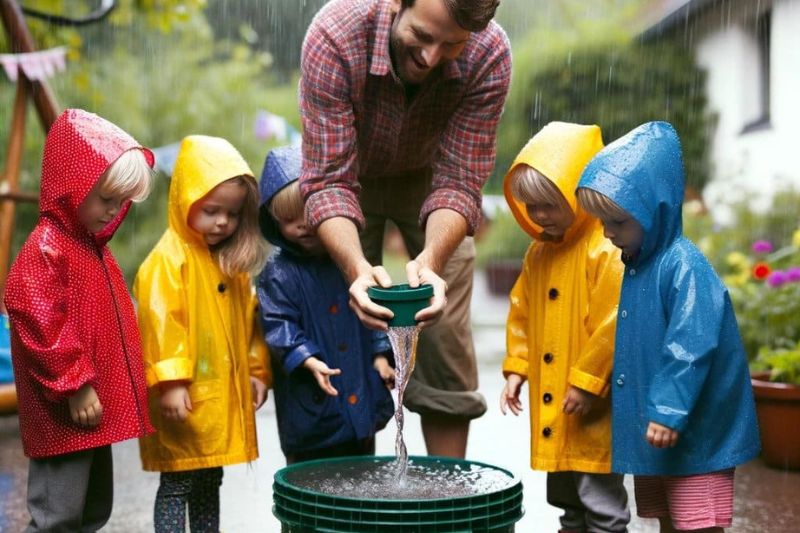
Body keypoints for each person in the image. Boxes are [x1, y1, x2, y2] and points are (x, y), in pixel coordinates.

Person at [299, 0, 511, 458]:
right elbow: (328, 180)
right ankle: (346, 505)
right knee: (342, 324)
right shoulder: (335, 34)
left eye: (452, 45)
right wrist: (356, 268)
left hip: (433, 180)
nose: (432, 58)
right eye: (422, 36)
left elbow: (459, 181)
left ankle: (444, 504)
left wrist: (432, 261)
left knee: (445, 331)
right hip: (349, 174)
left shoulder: (490, 53)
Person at [576, 121, 761, 533]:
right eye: (602, 222)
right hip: (663, 428)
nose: (608, 233)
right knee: (671, 518)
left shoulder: (683, 267)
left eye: (618, 221)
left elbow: (689, 347)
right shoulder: (642, 263)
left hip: (692, 432)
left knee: (697, 521)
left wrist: (668, 410)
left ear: (654, 207)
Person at [3, 108, 155, 532]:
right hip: (67, 407)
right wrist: (75, 383)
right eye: (106, 199)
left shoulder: (88, 246)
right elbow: (37, 320)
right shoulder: (48, 248)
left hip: (89, 407)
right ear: (72, 186)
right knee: (58, 515)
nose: (113, 212)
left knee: (91, 510)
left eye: (120, 203)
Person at [134, 135, 271, 533]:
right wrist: (172, 381)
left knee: (210, 477)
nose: (222, 222)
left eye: (231, 213)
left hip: (217, 398)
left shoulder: (231, 263)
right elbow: (162, 324)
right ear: (184, 200)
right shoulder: (168, 260)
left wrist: (256, 371)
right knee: (178, 479)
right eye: (210, 210)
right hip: (184, 396)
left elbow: (247, 325)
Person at [499, 122, 630, 533]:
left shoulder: (605, 249)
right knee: (567, 497)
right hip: (557, 400)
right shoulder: (539, 252)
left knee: (600, 495)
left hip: (592, 402)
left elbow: (612, 322)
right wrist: (517, 366)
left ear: (579, 191)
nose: (538, 215)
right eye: (530, 206)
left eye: (548, 204)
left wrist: (588, 381)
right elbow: (521, 309)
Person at [256, 145, 395, 464]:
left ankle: (359, 513)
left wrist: (380, 355)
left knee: (362, 471)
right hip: (312, 401)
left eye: (310, 214)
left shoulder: (349, 261)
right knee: (309, 478)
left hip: (358, 388)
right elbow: (277, 324)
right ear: (274, 222)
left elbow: (373, 310)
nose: (302, 225)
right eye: (289, 219)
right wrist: (303, 356)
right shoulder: (278, 273)